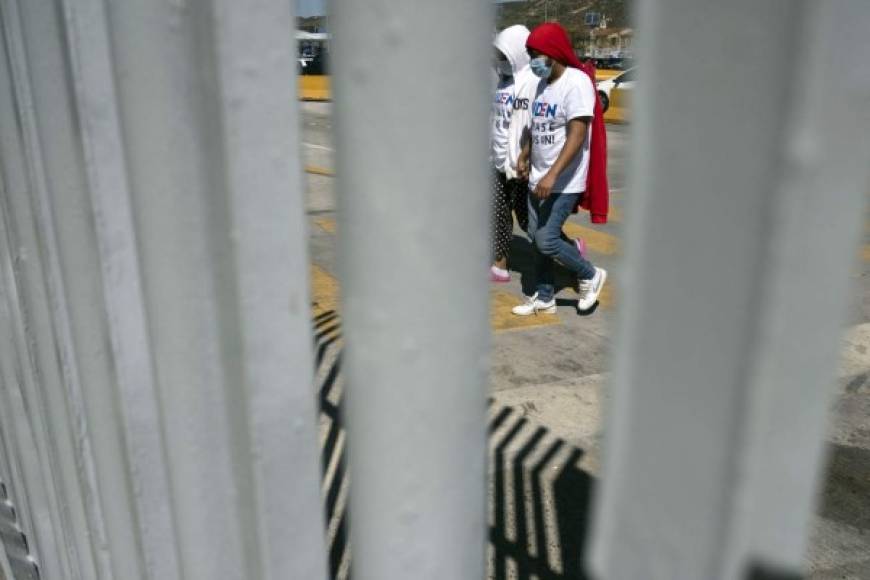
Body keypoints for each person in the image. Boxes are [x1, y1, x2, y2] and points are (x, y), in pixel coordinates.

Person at [512, 22, 609, 315]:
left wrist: (553, 174)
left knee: (547, 238)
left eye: (535, 53)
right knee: (534, 237)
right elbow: (537, 126)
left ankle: (590, 274)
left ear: (552, 53)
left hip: (564, 181)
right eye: (529, 54)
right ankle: (544, 296)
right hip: (537, 178)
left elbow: (578, 134)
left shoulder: (576, 82)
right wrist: (525, 155)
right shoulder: (543, 85)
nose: (532, 61)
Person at [490, 26, 587, 283]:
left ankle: (571, 251)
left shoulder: (536, 83)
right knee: (498, 213)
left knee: (530, 224)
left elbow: (538, 123)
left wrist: (526, 157)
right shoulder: (501, 80)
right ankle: (500, 264)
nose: (500, 60)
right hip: (500, 160)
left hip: (523, 166)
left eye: (503, 54)